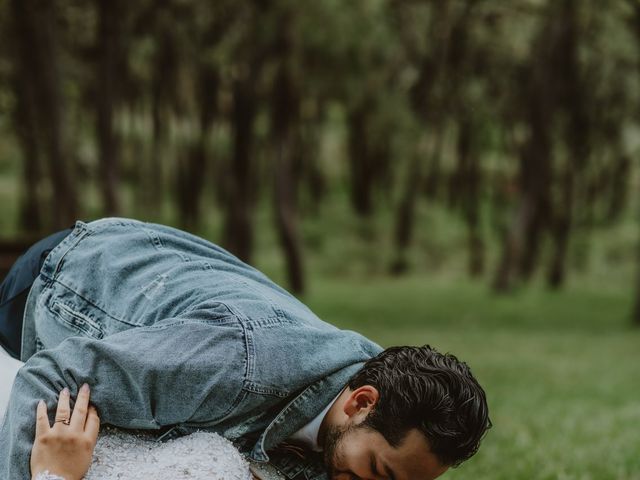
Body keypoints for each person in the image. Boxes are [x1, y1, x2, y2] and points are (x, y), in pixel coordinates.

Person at [0, 218, 491, 480]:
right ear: (360, 402)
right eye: (377, 473)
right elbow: (47, 378)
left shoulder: (384, 388)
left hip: (192, 291)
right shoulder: (239, 365)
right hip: (67, 282)